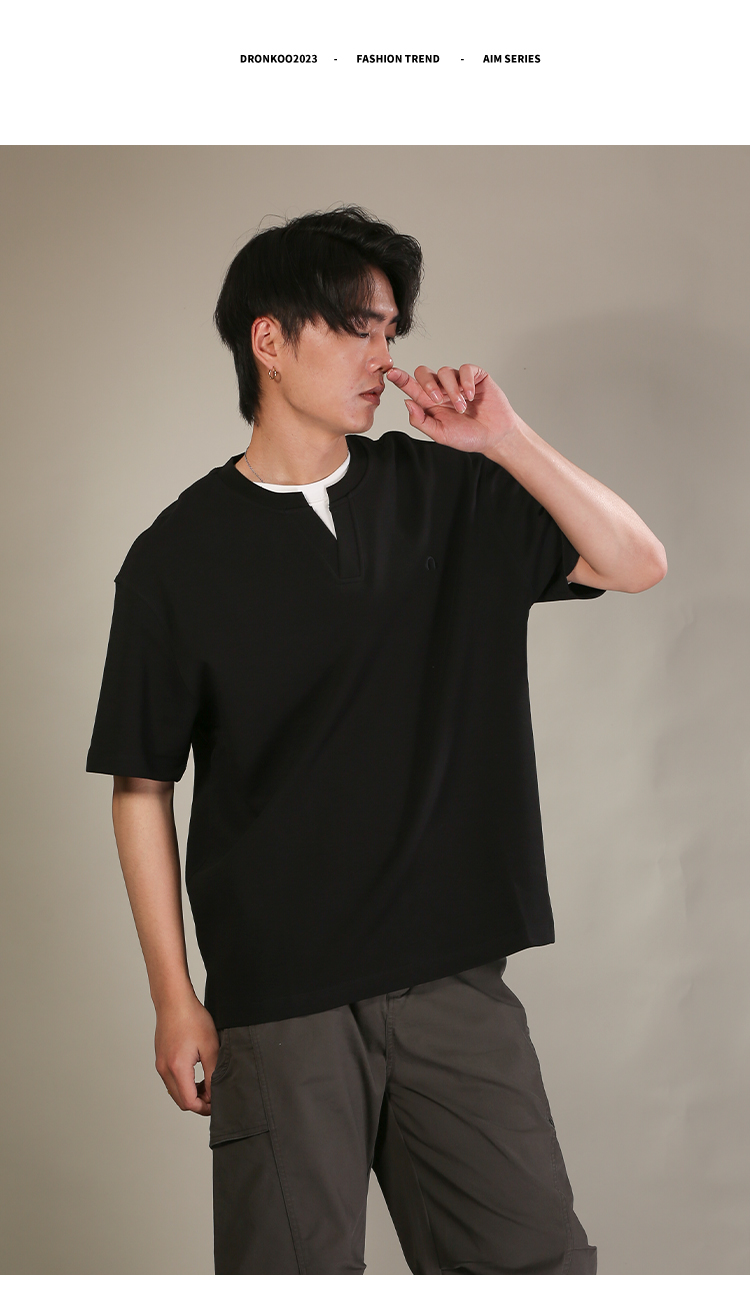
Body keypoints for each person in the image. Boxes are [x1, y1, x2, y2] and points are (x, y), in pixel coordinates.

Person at [86, 205, 667, 1275]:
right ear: (269, 340)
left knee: (538, 1270)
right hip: (280, 1003)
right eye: (356, 326)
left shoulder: (445, 492)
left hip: (451, 980)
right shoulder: (176, 557)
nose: (383, 356)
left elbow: (636, 561)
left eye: (390, 329)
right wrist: (174, 996)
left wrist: (504, 439)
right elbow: (140, 784)